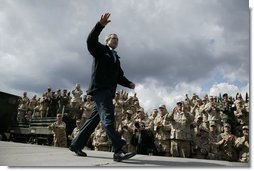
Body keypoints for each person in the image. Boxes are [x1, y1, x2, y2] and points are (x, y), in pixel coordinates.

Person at [69, 13, 136, 162]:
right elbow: (90, 41)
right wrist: (100, 25)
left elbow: (119, 76)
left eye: (117, 39)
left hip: (107, 92)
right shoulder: (101, 50)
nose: (116, 40)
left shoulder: (115, 58)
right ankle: (118, 150)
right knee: (108, 118)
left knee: (93, 120)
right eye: (113, 38)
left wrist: (129, 83)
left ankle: (76, 144)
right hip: (100, 90)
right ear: (107, 40)